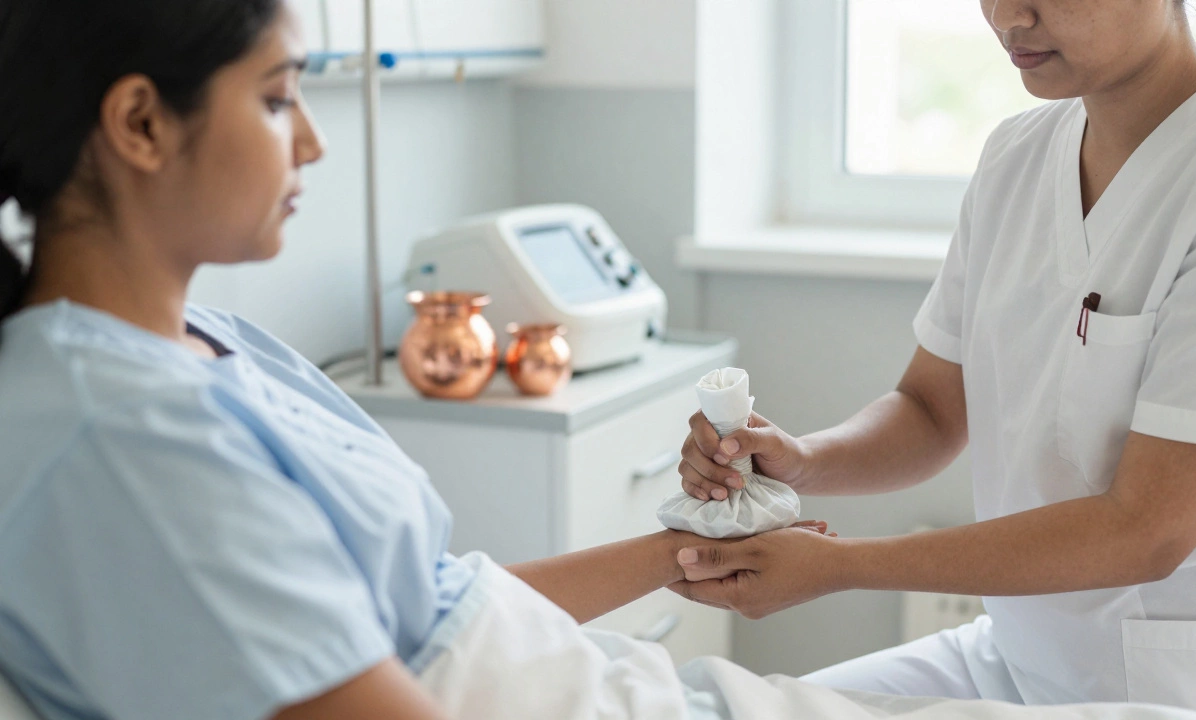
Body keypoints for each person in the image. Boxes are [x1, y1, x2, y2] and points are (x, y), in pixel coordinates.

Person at [0, 2, 834, 718]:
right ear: (141, 124)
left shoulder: (213, 342)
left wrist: (684, 550)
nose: (314, 142)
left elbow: (431, 606)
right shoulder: (123, 436)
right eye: (279, 97)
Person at [673, 0, 1196, 715]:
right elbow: (931, 409)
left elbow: (1147, 529)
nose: (1006, 16)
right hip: (1016, 651)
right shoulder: (1017, 154)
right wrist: (803, 459)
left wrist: (841, 568)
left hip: (1179, 682)